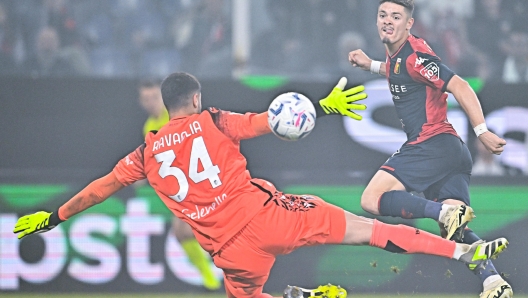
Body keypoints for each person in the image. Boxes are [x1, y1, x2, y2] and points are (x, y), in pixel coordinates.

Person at [13, 72, 508, 298]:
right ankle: (465, 256)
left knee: (243, 297)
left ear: (165, 106)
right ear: (197, 96)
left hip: (228, 251)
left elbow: (99, 188)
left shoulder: (145, 152)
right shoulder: (213, 120)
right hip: (269, 217)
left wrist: (54, 217)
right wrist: (324, 107)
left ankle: (296, 296)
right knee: (365, 229)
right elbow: (268, 121)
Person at [348, 1, 512, 297]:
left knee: (371, 199)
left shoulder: (414, 55)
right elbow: (398, 70)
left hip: (431, 143)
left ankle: (440, 212)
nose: (388, 21)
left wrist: (482, 131)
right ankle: (493, 281)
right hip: (451, 153)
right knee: (455, 229)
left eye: (396, 17)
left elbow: (459, 85)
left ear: (409, 24)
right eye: (383, 15)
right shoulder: (401, 57)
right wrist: (370, 64)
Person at [137, 79, 221, 291]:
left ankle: (215, 275)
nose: (150, 102)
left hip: (201, 177)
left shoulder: (175, 114)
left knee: (187, 229)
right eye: (146, 98)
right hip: (185, 184)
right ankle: (210, 278)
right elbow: (158, 158)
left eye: (154, 97)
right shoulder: (149, 126)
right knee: (182, 232)